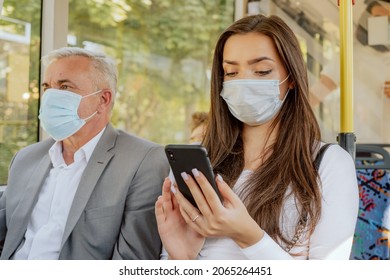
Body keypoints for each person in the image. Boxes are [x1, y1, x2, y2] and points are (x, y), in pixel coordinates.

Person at [155, 14, 359, 260]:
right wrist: (182, 258)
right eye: (231, 73)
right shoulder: (198, 163)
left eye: (262, 71)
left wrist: (249, 236)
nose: (244, 83)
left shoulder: (329, 163)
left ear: (291, 77)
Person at [0, 47, 169, 260]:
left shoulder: (143, 161)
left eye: (65, 87)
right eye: (47, 88)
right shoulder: (25, 158)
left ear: (103, 100)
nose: (51, 97)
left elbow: (131, 261)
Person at [310, 0, 390, 143]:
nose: (386, 24)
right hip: (360, 147)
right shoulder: (350, 55)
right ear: (366, 22)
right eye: (379, 19)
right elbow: (317, 93)